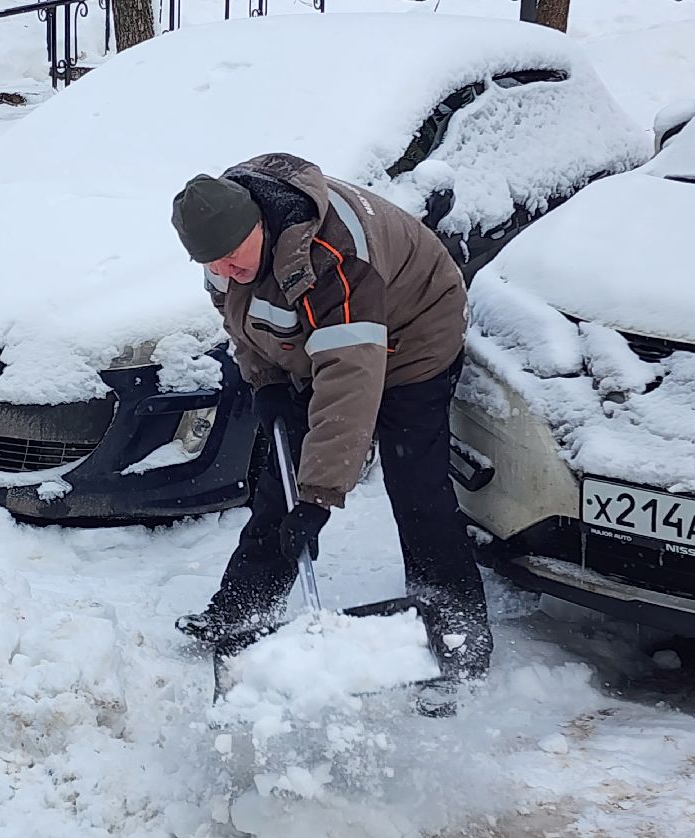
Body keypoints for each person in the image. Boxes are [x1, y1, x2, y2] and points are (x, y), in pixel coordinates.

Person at [169, 151, 492, 683]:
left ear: (259, 225)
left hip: (413, 336)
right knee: (281, 479)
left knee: (418, 488)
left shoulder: (331, 254)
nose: (225, 271)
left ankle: (457, 631)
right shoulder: (223, 250)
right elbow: (244, 322)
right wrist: (268, 383)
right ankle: (241, 609)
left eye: (232, 257)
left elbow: (350, 377)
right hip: (321, 343)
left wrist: (319, 497)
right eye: (214, 264)